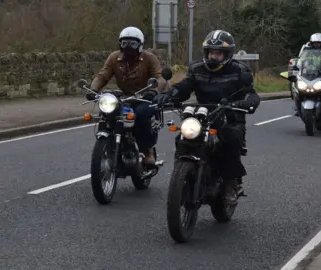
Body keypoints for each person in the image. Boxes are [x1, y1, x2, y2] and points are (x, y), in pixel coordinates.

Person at [153, 30, 261, 205]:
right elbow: (184, 87)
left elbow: (251, 94)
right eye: (210, 52)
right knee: (183, 137)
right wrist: (169, 95)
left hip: (230, 115)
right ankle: (181, 177)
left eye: (218, 53)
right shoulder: (196, 68)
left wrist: (247, 103)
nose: (213, 56)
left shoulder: (239, 70)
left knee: (231, 139)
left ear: (227, 54)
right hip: (203, 113)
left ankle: (230, 183)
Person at [86, 26, 165, 166]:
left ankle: (147, 150)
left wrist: (153, 91)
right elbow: (103, 75)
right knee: (107, 112)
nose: (128, 47)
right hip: (124, 97)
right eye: (124, 43)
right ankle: (107, 143)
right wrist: (93, 90)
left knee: (142, 114)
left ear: (140, 45)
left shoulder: (149, 58)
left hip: (144, 96)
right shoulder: (114, 58)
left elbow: (160, 78)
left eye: (132, 43)